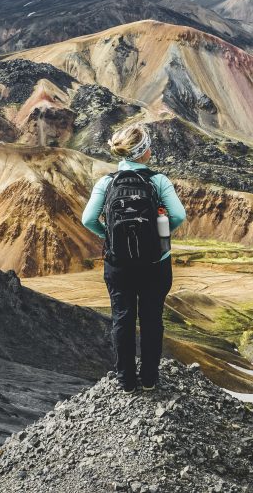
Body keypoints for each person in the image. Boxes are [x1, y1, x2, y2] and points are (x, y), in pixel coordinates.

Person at [81, 124, 186, 392]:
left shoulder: (107, 183)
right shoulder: (158, 181)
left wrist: (109, 237)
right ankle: (149, 379)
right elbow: (178, 216)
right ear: (142, 152)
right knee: (152, 319)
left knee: (122, 318)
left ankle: (126, 381)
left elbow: (88, 219)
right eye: (148, 145)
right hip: (156, 263)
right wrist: (159, 238)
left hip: (118, 265)